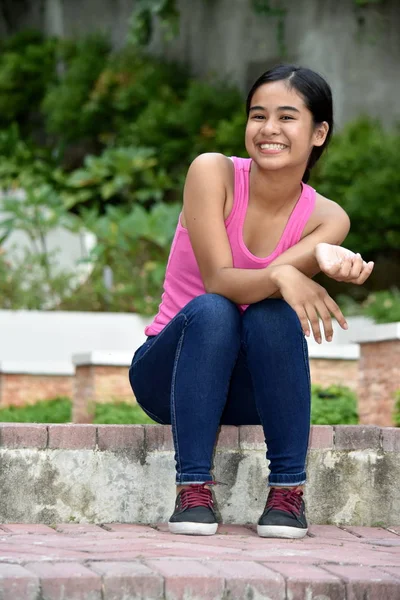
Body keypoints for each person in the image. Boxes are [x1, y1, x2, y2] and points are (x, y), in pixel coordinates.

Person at [129, 64, 374, 539]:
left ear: (318, 132)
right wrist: (287, 270)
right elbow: (220, 280)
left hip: (248, 391)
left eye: (287, 117)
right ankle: (192, 488)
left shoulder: (327, 219)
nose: (268, 130)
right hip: (170, 373)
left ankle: (287, 493)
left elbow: (265, 292)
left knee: (270, 312)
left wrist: (299, 266)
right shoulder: (212, 172)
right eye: (258, 115)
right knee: (215, 309)